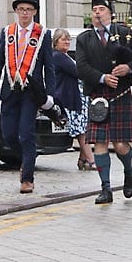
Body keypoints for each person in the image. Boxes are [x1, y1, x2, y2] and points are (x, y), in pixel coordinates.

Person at [75, 0, 132, 204]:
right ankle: (105, 188)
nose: (97, 13)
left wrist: (128, 68)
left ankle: (128, 169)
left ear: (110, 13)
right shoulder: (84, 38)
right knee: (99, 143)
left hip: (119, 95)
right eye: (94, 10)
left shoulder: (124, 34)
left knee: (119, 145)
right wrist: (102, 77)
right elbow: (81, 67)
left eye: (101, 9)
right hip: (98, 96)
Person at [0, 0, 57, 193]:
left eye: (29, 10)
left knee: (26, 134)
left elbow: (49, 67)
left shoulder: (43, 34)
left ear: (35, 12)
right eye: (21, 9)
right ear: (16, 11)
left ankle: (27, 178)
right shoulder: (7, 32)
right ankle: (26, 158)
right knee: (8, 135)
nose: (25, 13)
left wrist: (50, 95)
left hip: (30, 93)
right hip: (10, 90)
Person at [52, 28, 95, 171]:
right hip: (69, 98)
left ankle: (83, 160)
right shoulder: (58, 57)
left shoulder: (66, 56)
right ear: (55, 42)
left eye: (68, 39)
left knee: (85, 128)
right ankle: (91, 160)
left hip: (78, 97)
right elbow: (79, 72)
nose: (66, 42)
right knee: (81, 131)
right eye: (63, 39)